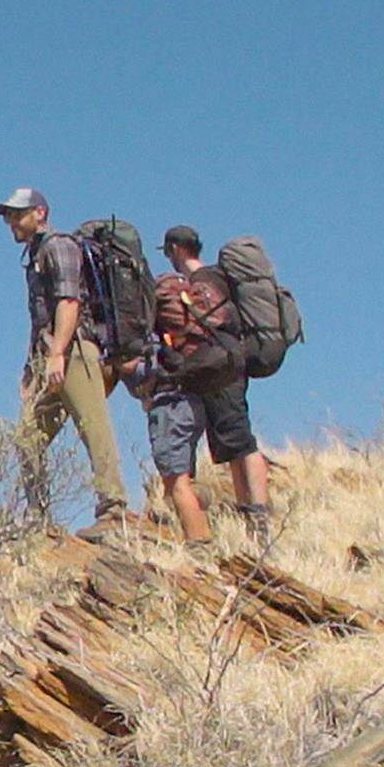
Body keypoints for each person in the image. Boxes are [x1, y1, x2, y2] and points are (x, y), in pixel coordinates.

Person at [0, 187, 129, 535]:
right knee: (27, 440)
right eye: (9, 215)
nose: (12, 221)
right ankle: (40, 520)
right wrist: (31, 368)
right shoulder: (35, 256)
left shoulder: (59, 245)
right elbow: (40, 318)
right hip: (51, 356)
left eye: (17, 214)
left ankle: (113, 511)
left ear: (40, 213)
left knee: (92, 426)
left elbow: (69, 302)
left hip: (76, 351)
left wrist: (58, 354)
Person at [160, 225, 272, 543]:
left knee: (241, 440)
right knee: (231, 441)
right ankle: (247, 511)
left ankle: (259, 514)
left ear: (176, 249)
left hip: (221, 368)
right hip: (230, 365)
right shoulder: (217, 277)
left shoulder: (201, 282)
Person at [123, 272, 218, 553]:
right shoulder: (190, 330)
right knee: (185, 478)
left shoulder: (159, 335)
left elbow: (149, 369)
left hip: (170, 405)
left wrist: (124, 366)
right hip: (193, 402)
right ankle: (201, 535)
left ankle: (199, 545)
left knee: (176, 482)